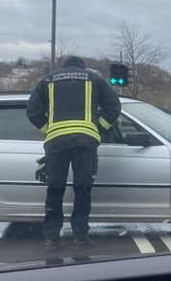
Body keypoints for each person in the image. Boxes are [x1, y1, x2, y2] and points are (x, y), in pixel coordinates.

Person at [27, 56, 121, 251]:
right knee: (82, 188)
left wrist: (49, 129)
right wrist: (98, 129)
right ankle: (80, 237)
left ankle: (51, 238)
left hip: (56, 142)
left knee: (55, 188)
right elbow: (114, 107)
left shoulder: (47, 80)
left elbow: (33, 111)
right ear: (82, 66)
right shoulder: (94, 79)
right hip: (85, 141)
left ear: (64, 67)